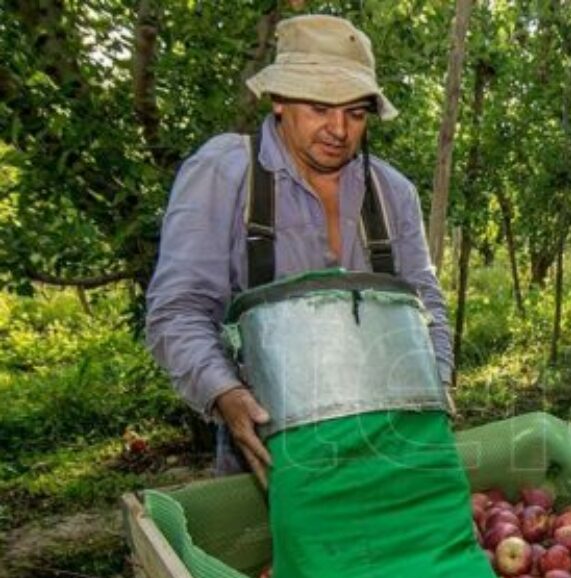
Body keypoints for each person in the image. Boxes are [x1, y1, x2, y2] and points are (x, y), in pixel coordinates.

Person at [145, 14, 454, 481]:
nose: (339, 130)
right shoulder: (225, 174)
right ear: (279, 101)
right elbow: (178, 309)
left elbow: (423, 300)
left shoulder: (392, 193)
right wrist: (224, 393)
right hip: (271, 446)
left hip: (385, 443)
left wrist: (438, 381)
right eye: (320, 108)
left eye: (355, 113)